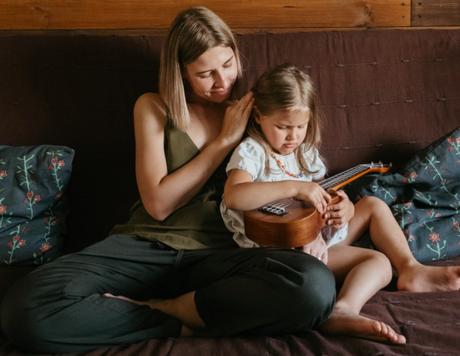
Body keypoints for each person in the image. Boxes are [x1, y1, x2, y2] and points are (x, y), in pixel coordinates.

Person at [0, 8, 336, 354]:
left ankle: (177, 310)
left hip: (222, 257)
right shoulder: (153, 108)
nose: (223, 81)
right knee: (24, 308)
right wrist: (222, 142)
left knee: (313, 287)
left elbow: (295, 175)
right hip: (146, 245)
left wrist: (318, 229)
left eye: (228, 64)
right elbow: (158, 205)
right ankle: (176, 321)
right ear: (182, 73)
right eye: (206, 73)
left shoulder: (258, 114)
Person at [221, 64, 460, 343]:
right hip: (280, 250)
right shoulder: (253, 151)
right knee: (379, 262)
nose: (293, 136)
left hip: (316, 238)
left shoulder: (304, 152)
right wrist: (296, 186)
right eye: (283, 127)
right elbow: (234, 195)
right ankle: (343, 310)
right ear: (259, 116)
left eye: (301, 126)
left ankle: (410, 269)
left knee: (371, 205)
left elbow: (318, 200)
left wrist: (341, 209)